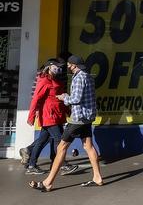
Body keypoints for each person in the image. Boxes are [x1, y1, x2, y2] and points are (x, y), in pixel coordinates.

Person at [28, 55, 103, 192]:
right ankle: (97, 177)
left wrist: (64, 97)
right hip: (87, 117)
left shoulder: (80, 77)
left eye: (69, 65)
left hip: (78, 118)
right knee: (88, 146)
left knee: (61, 147)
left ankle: (47, 183)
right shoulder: (88, 76)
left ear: (74, 65)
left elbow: (76, 99)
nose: (67, 67)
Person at [22, 58, 78, 176]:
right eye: (56, 66)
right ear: (49, 67)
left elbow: (58, 99)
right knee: (60, 139)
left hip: (56, 115)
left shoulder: (55, 80)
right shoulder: (44, 81)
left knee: (42, 141)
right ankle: (62, 165)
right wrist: (31, 116)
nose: (59, 68)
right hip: (49, 116)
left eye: (60, 67)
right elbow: (36, 99)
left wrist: (67, 111)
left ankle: (32, 165)